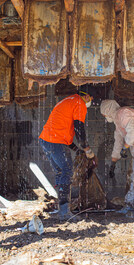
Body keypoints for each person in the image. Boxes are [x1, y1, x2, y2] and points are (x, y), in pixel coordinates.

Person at [39, 90, 95, 221]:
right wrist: (86, 148)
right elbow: (79, 128)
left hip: (46, 140)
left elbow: (64, 130)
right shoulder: (80, 103)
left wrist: (76, 149)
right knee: (67, 171)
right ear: (86, 95)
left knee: (60, 171)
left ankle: (60, 209)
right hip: (55, 141)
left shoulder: (67, 101)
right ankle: (64, 212)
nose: (90, 101)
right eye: (90, 98)